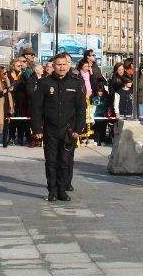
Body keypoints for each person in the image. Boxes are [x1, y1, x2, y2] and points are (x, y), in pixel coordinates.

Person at [30, 53, 86, 202]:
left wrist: (78, 129)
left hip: (68, 130)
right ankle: (52, 191)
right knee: (51, 161)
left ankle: (62, 190)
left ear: (68, 66)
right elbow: (36, 109)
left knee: (65, 161)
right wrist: (37, 129)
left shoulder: (76, 83)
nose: (61, 67)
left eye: (64, 64)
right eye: (58, 64)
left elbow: (81, 109)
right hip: (50, 129)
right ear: (53, 66)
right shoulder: (44, 83)